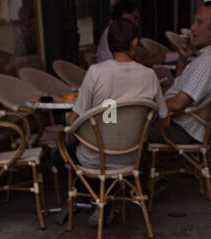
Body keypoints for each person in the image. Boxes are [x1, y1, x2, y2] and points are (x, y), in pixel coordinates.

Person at [65, 17, 167, 225]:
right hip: (131, 157)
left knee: (60, 152)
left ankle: (97, 200)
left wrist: (69, 132)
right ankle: (115, 196)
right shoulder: (149, 76)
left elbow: (74, 119)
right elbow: (164, 121)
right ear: (134, 43)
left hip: (95, 158)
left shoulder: (95, 72)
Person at [160, 0, 211, 146]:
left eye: (199, 23)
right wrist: (182, 60)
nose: (192, 27)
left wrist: (150, 109)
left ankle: (125, 167)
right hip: (181, 123)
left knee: (129, 128)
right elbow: (180, 85)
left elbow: (179, 103)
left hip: (180, 128)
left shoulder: (207, 62)